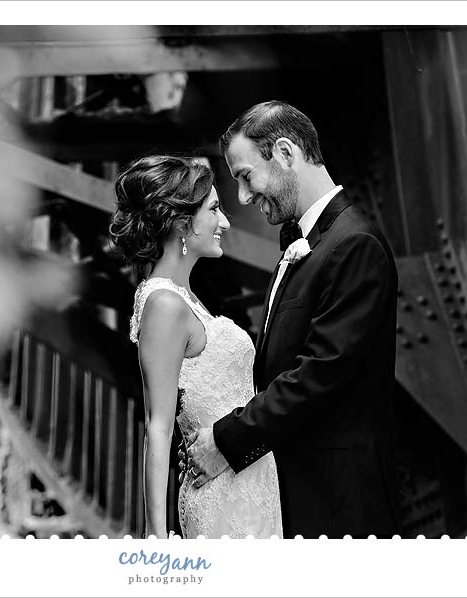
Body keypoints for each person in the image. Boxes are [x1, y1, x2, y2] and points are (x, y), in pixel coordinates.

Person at [185, 101, 402, 538]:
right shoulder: (308, 243)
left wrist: (228, 440)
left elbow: (318, 374)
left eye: (246, 176)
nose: (243, 197)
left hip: (337, 506)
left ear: (285, 153)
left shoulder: (354, 244)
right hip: (299, 498)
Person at [109, 155, 282, 539]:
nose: (225, 221)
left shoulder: (184, 299)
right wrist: (156, 536)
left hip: (249, 487)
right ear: (182, 222)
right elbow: (158, 425)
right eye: (215, 209)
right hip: (223, 498)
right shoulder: (164, 305)